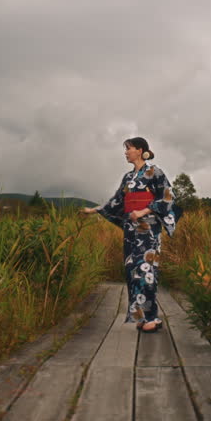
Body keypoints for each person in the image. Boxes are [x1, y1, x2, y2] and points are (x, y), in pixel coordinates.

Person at [82, 137, 178, 333]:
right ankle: (143, 316)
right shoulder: (128, 177)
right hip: (131, 230)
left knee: (147, 270)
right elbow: (117, 202)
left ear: (140, 150)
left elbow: (167, 196)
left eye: (129, 148)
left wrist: (144, 211)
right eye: (125, 149)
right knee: (132, 272)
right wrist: (96, 210)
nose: (126, 152)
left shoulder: (155, 172)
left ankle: (151, 317)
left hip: (148, 229)